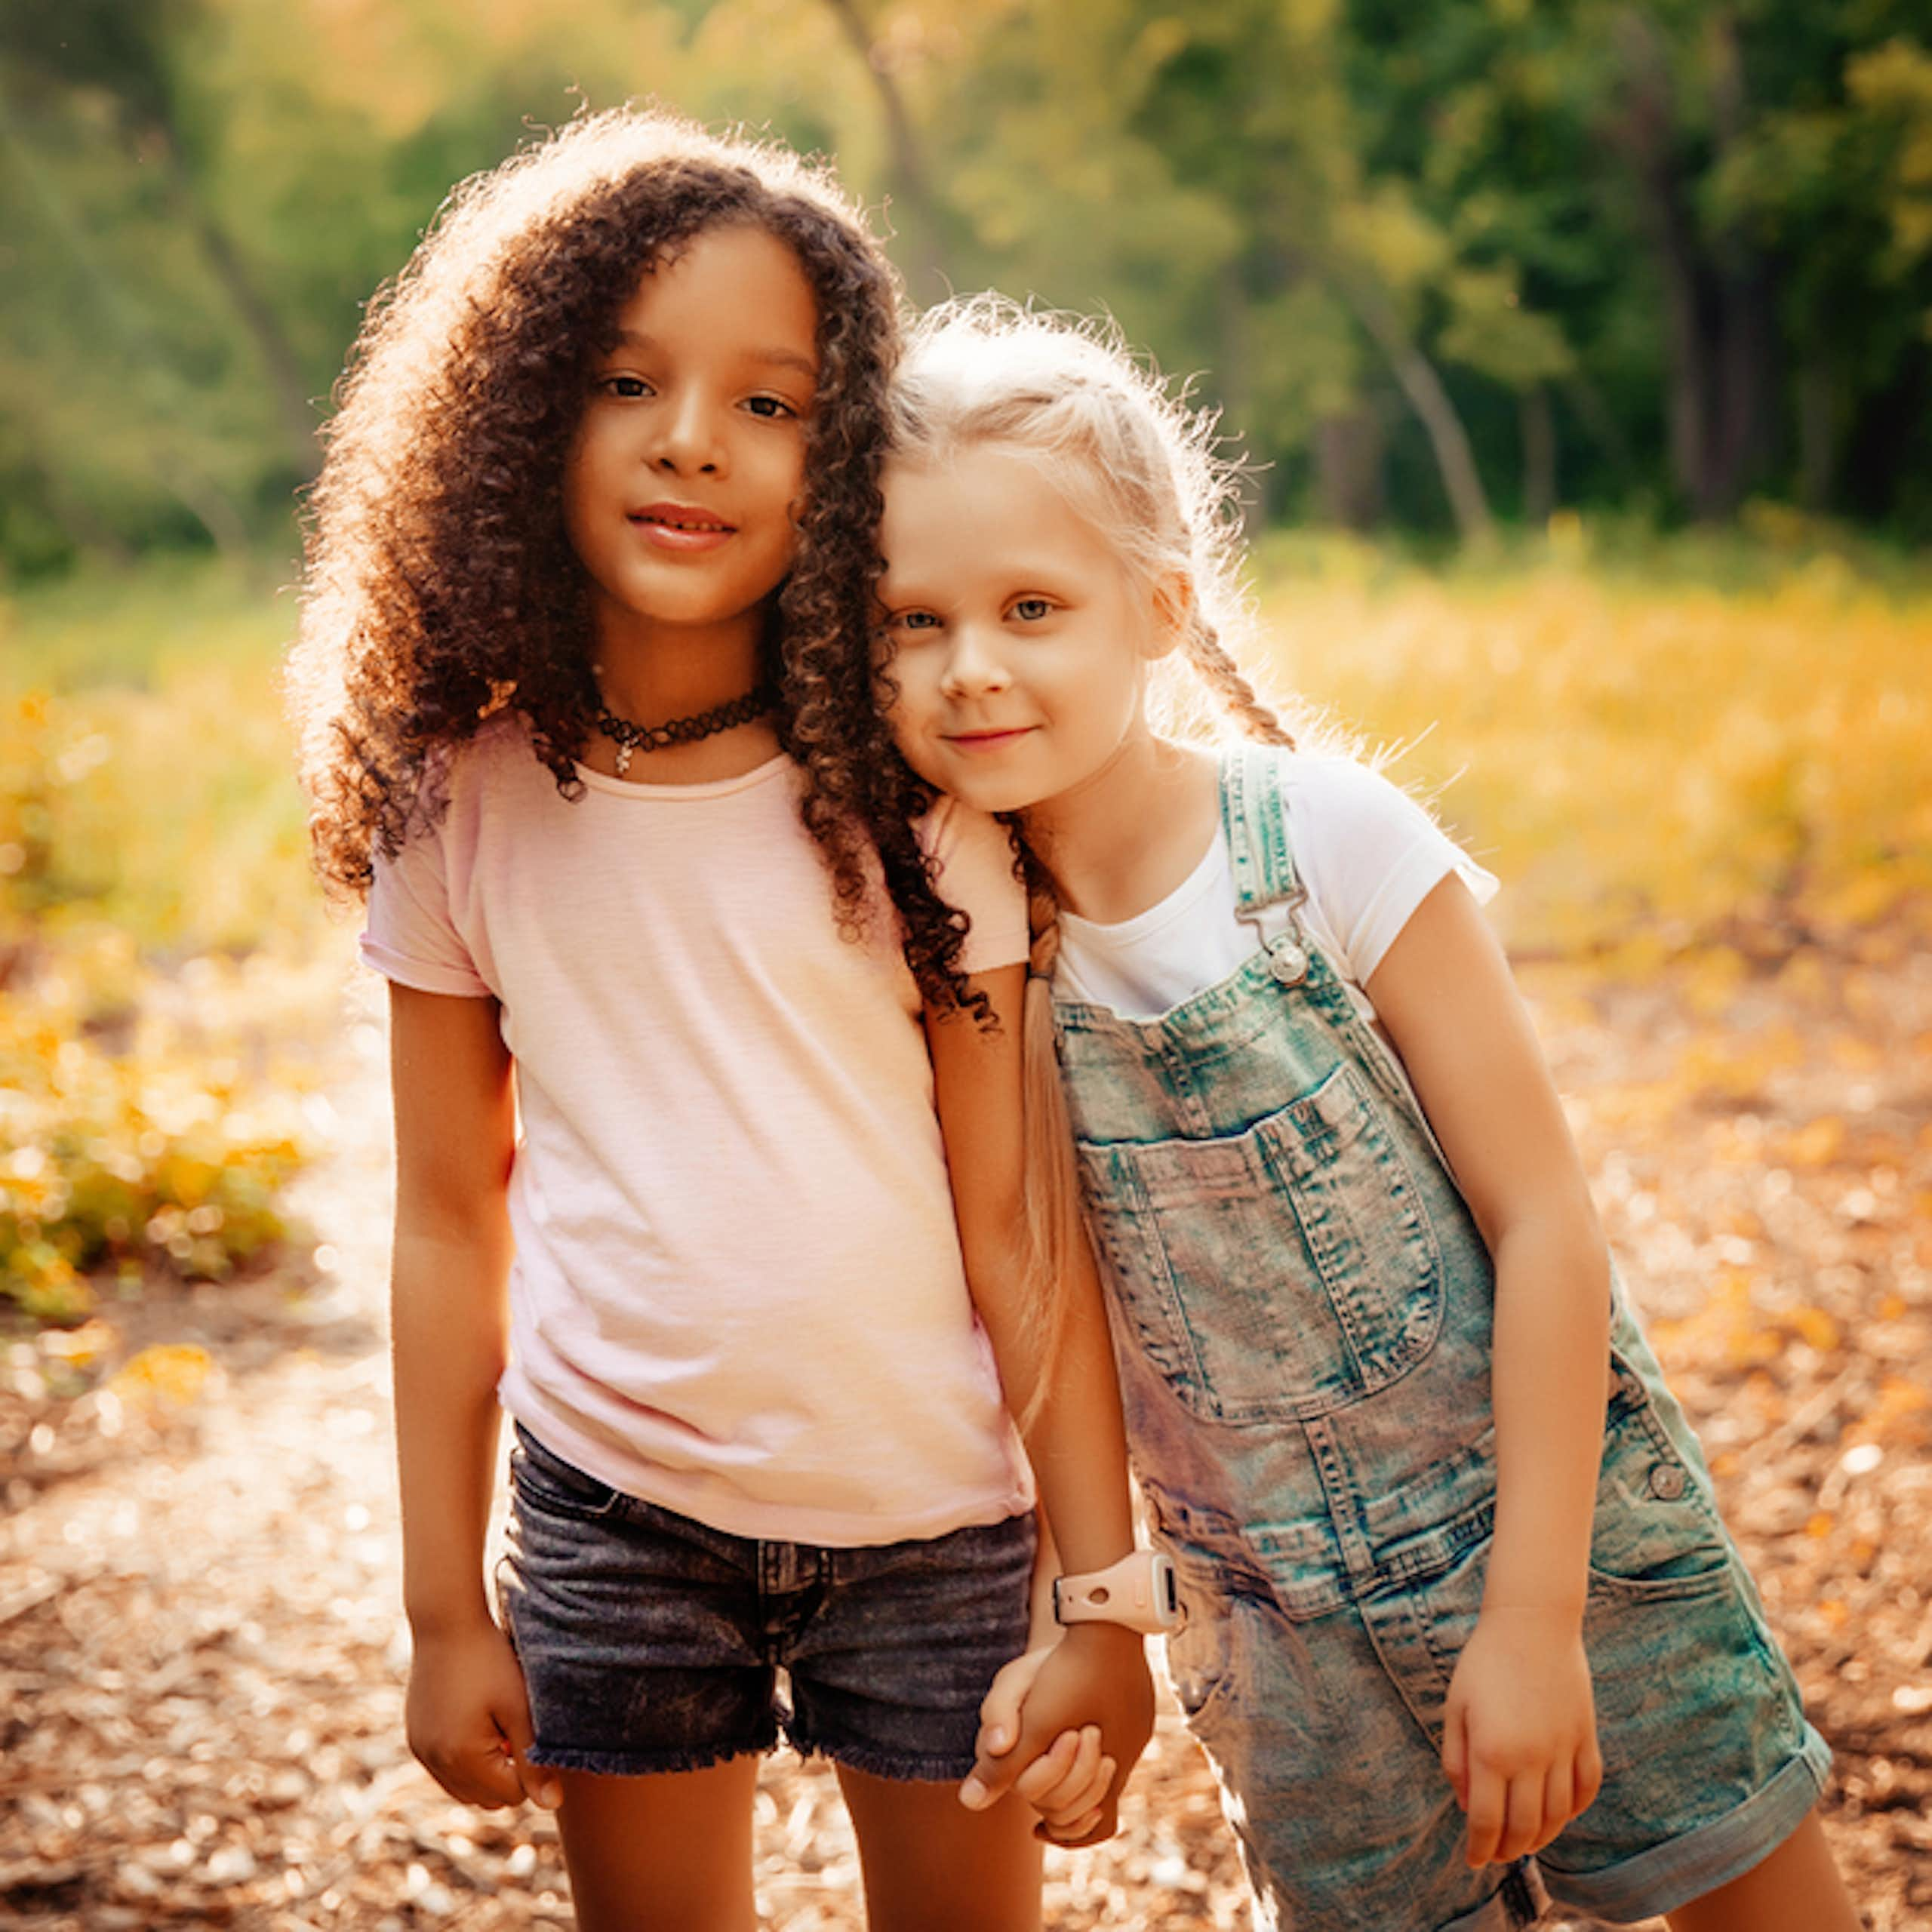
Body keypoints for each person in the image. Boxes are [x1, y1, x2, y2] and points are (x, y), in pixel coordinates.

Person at [849, 296, 1860, 1932]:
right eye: (907, 621)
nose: (969, 668)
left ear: (1158, 605)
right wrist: (1096, 1604)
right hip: (1274, 1626)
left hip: (1564, 1540)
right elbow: (1027, 1274)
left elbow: (1544, 1223)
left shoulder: (1325, 840)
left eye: (1031, 605)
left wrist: (1529, 1618)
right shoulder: (968, 947)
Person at [288, 116, 1153, 1932]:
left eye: (770, 403)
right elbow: (450, 1217)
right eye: (627, 379)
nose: (694, 437)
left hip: (932, 1524)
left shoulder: (915, 805)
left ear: (841, 462)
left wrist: (1102, 1599)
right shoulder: (462, 804)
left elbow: (1021, 1228)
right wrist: (445, 1604)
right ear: (518, 413)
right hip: (615, 1521)